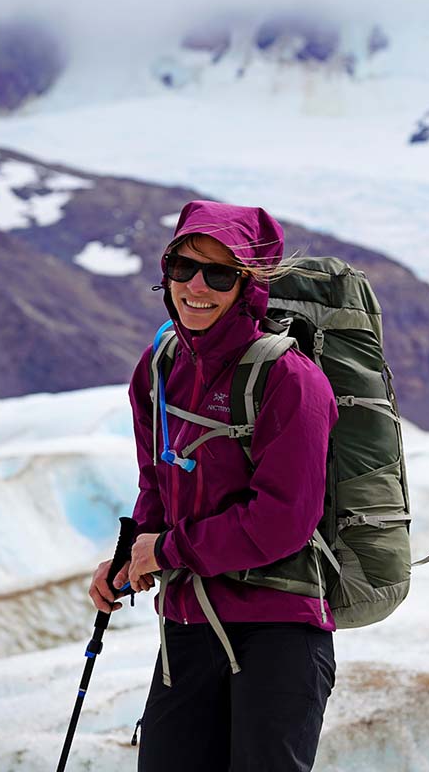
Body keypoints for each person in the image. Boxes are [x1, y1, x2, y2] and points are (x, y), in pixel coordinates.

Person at [87, 200, 339, 771]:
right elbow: (158, 482)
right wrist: (133, 557)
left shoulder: (290, 378)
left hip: (277, 632)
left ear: (249, 284)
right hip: (187, 625)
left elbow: (282, 520)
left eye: (219, 273)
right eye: (183, 267)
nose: (196, 286)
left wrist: (169, 550)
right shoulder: (159, 366)